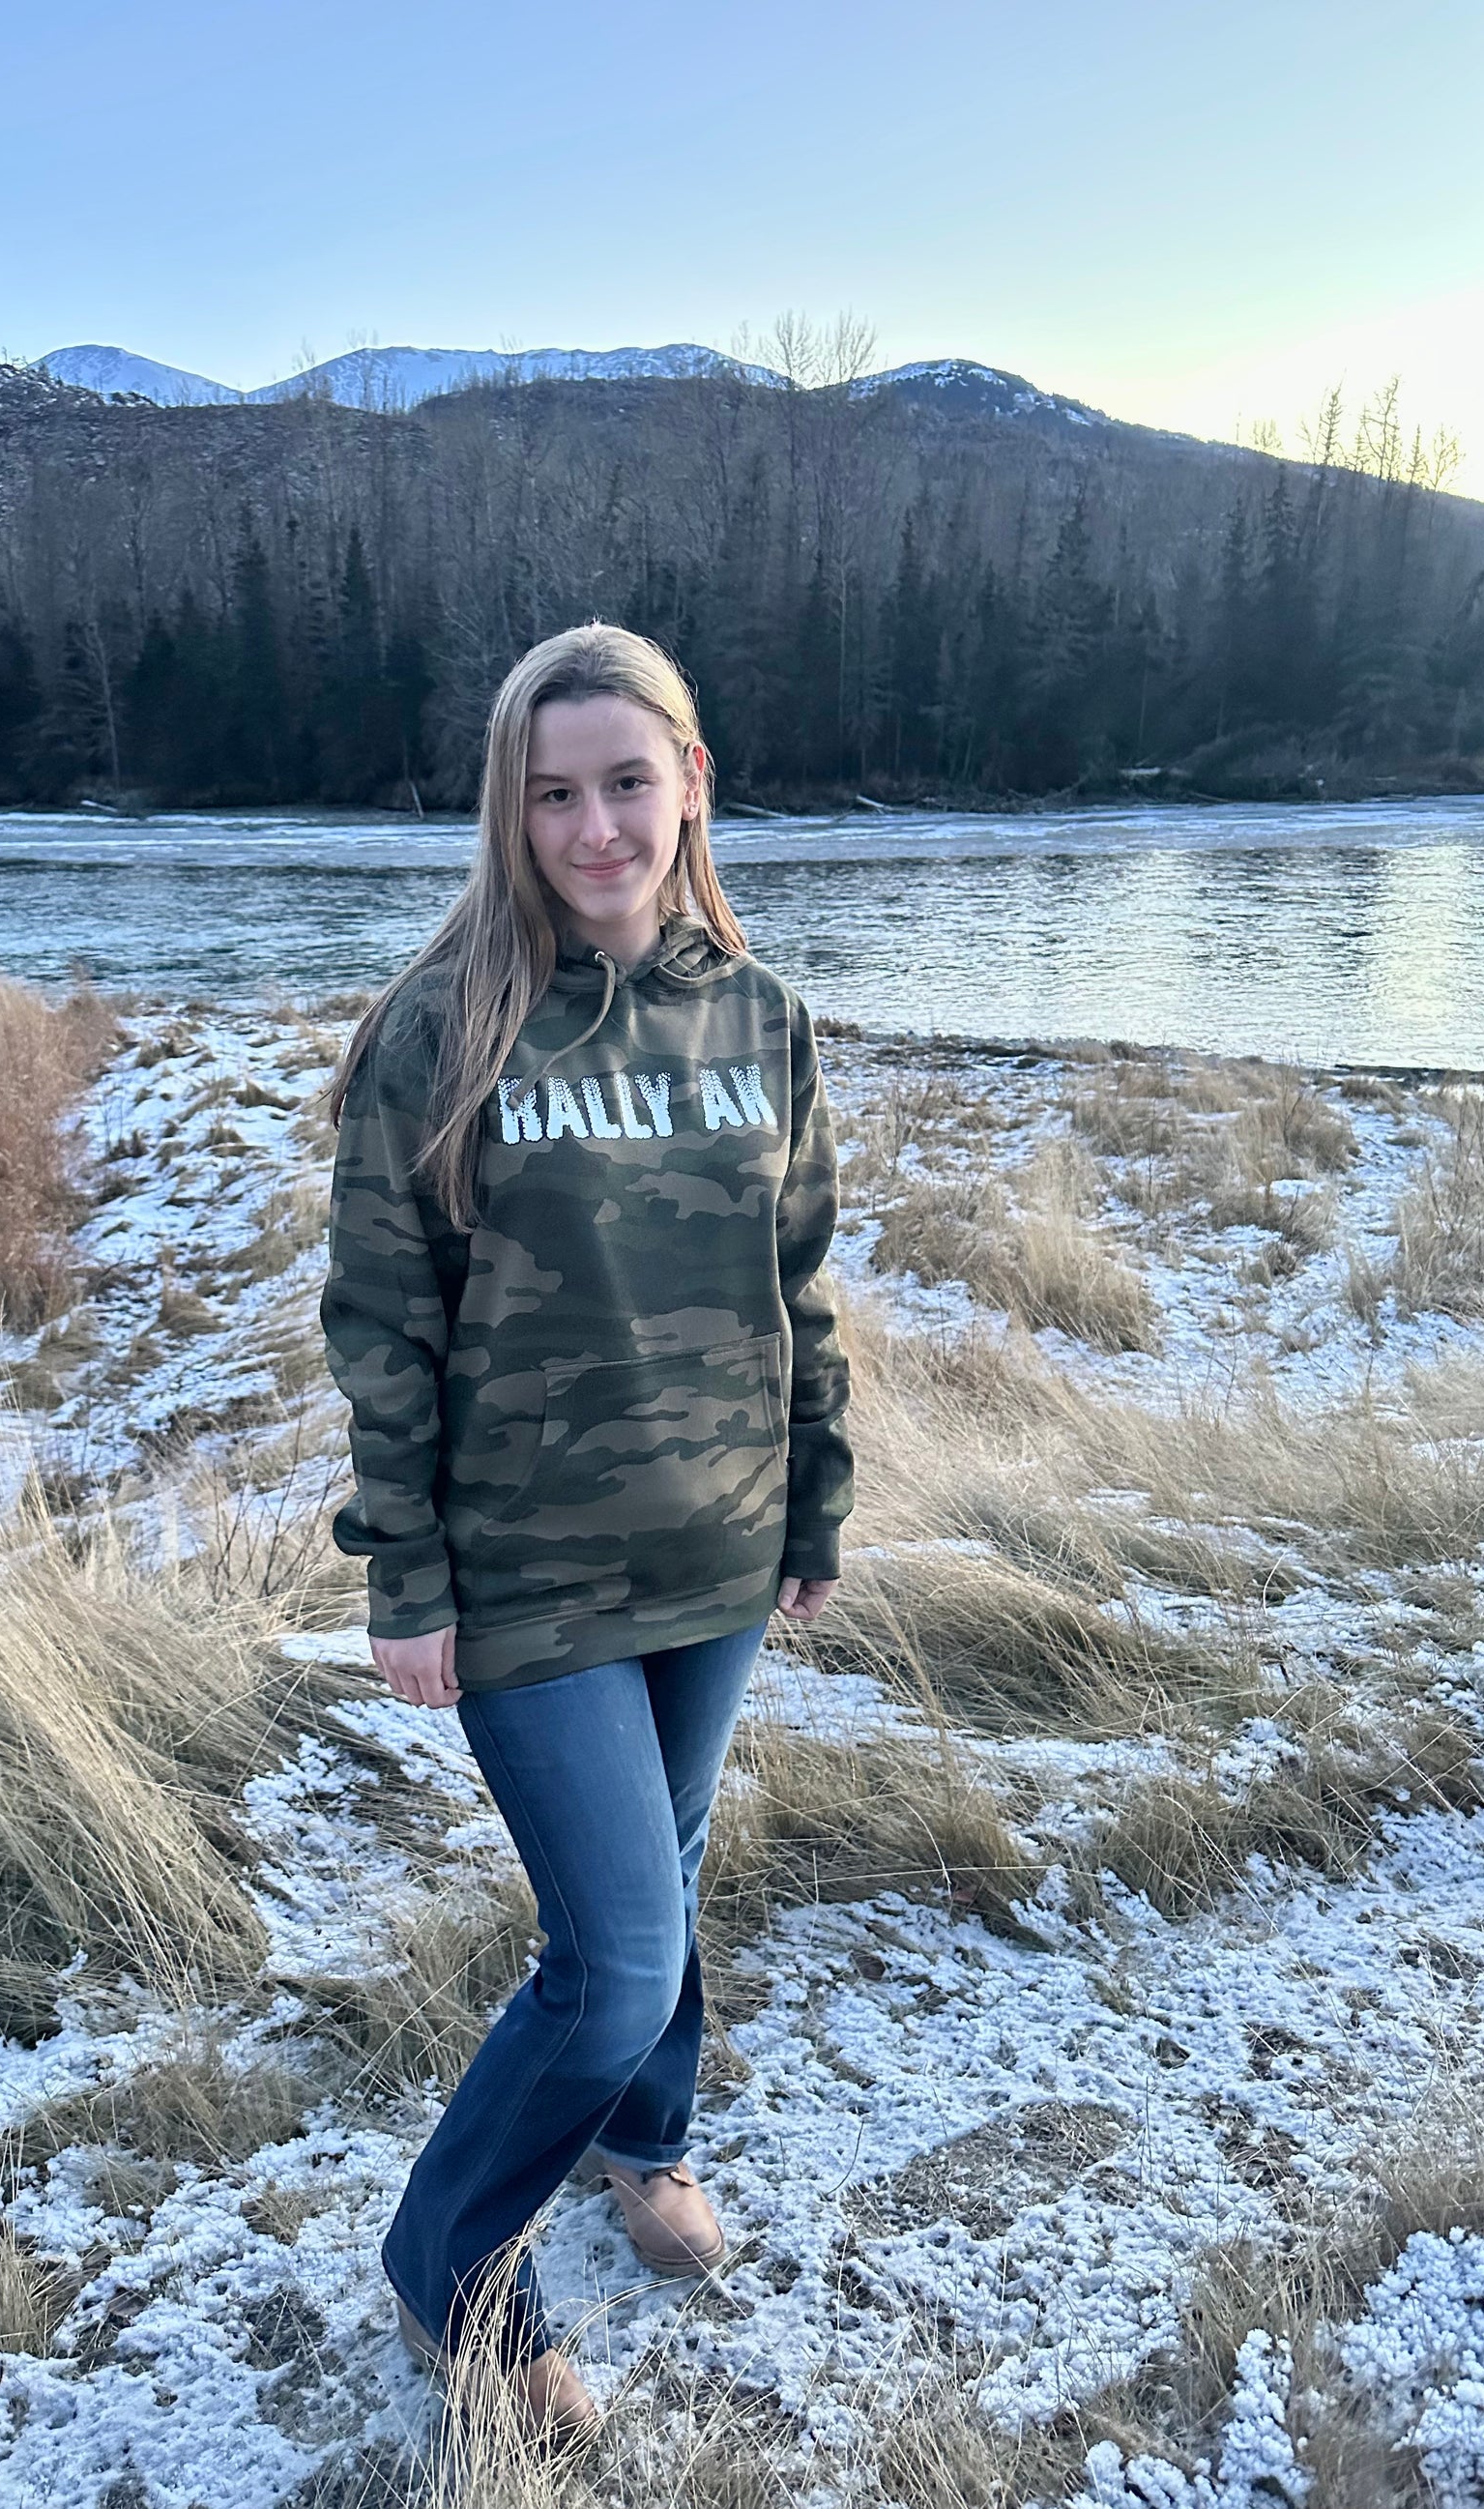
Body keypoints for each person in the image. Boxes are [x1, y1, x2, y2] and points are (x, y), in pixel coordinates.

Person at [320, 622, 853, 2443]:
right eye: (552, 794)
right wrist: (406, 1572)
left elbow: (796, 1284)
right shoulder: (439, 1029)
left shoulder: (760, 1018)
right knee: (612, 1956)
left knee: (670, 1878)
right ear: (511, 808)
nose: (594, 828)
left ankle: (646, 2137)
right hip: (527, 1572)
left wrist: (812, 1495)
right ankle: (452, 2267)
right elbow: (381, 1326)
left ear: (689, 781)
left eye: (626, 781)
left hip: (717, 1549)